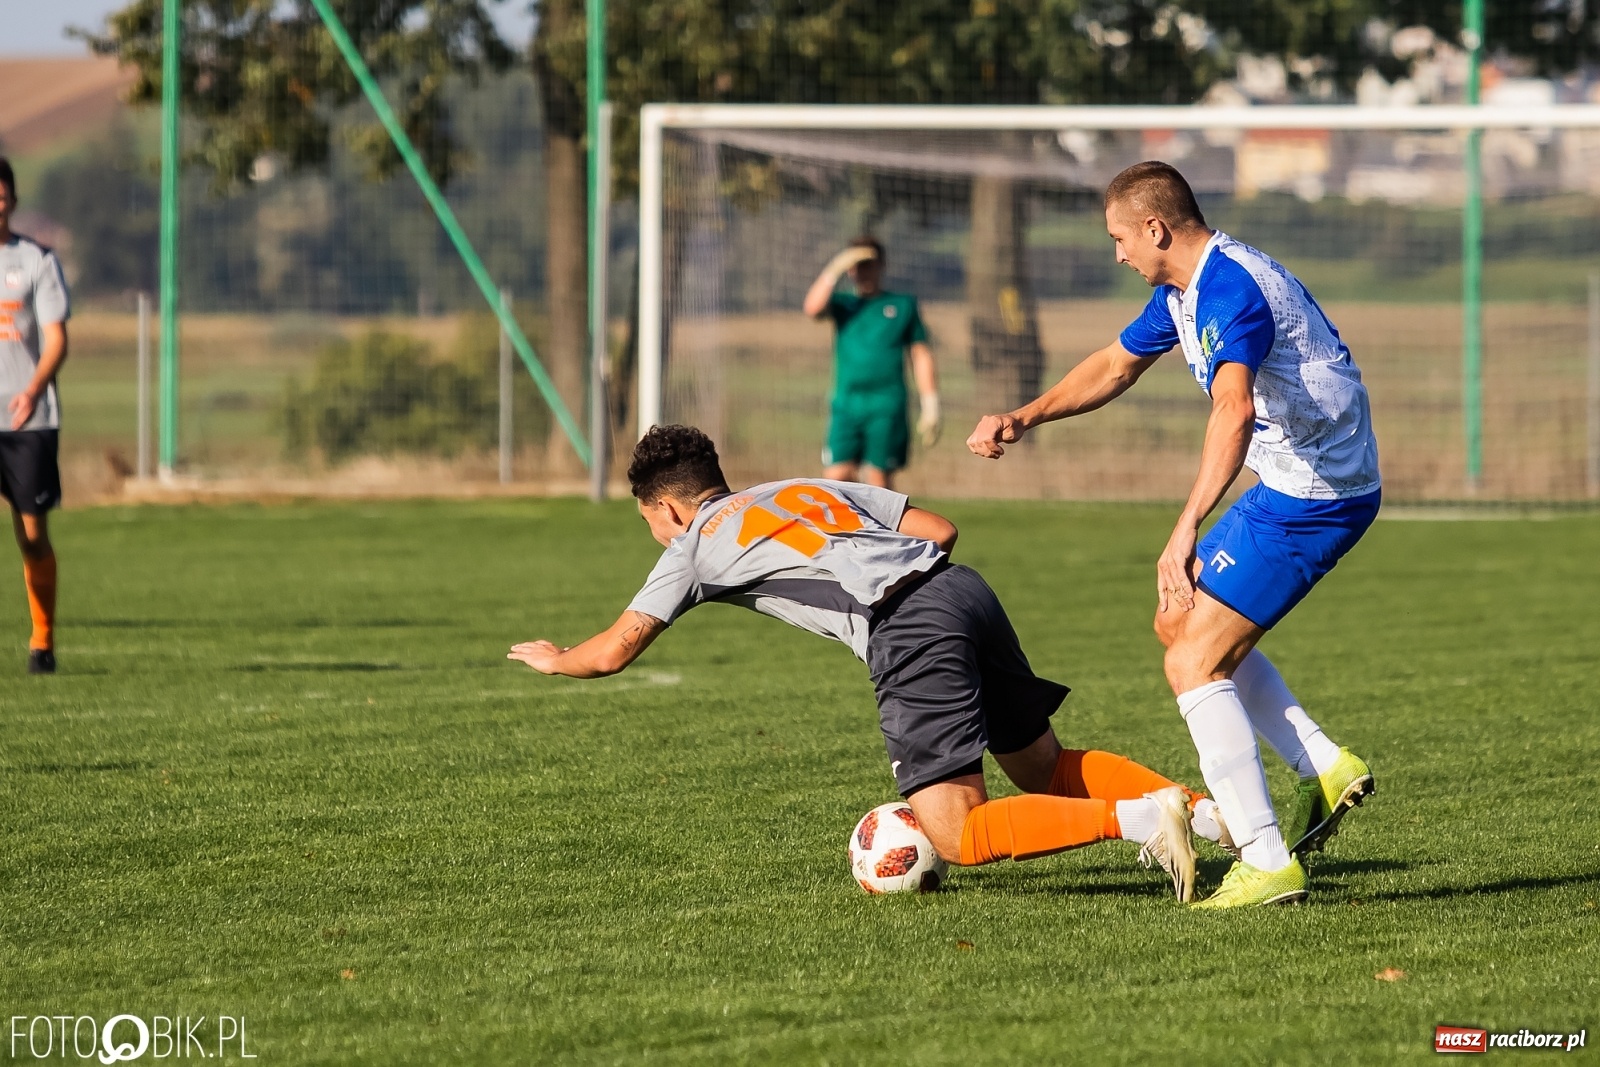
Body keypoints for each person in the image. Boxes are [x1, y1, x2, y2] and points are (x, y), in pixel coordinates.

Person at [509, 424, 1242, 901]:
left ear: (667, 509)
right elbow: (941, 528)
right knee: (1041, 766)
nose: (660, 539)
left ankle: (1144, 815)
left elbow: (615, 650)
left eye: (652, 527)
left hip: (908, 625)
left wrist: (556, 659)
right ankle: (1213, 816)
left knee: (955, 831)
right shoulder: (800, 488)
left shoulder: (695, 539)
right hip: (963, 590)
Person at [966, 161, 1380, 909]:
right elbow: (1116, 363)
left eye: (1120, 237)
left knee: (1192, 660)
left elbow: (1234, 411)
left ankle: (1264, 858)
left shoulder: (1230, 290)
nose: (1117, 253)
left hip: (1318, 493)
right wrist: (1025, 415)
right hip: (1293, 481)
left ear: (1156, 228)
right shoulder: (1185, 291)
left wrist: (1183, 527)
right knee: (1178, 618)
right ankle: (1322, 761)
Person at [0, 158, 69, 675]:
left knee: (31, 535)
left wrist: (31, 390)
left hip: (29, 419)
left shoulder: (37, 260)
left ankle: (42, 641)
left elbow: (57, 339)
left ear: (13, 200)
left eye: (1, 196)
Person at [802, 238, 939, 489]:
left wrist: (930, 404)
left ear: (881, 265)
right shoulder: (845, 304)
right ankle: (846, 529)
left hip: (886, 404)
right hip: (846, 403)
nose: (862, 271)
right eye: (857, 265)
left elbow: (921, 354)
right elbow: (812, 308)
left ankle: (885, 529)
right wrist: (834, 269)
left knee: (878, 482)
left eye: (868, 264)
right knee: (835, 479)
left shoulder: (902, 305)